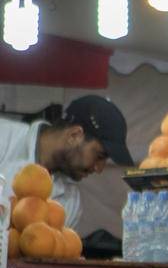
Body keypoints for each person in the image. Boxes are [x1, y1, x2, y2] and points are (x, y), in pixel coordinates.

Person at [0, 95, 136, 231]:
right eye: (99, 155)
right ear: (74, 136)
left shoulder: (70, 201)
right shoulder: (4, 136)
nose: (99, 168)